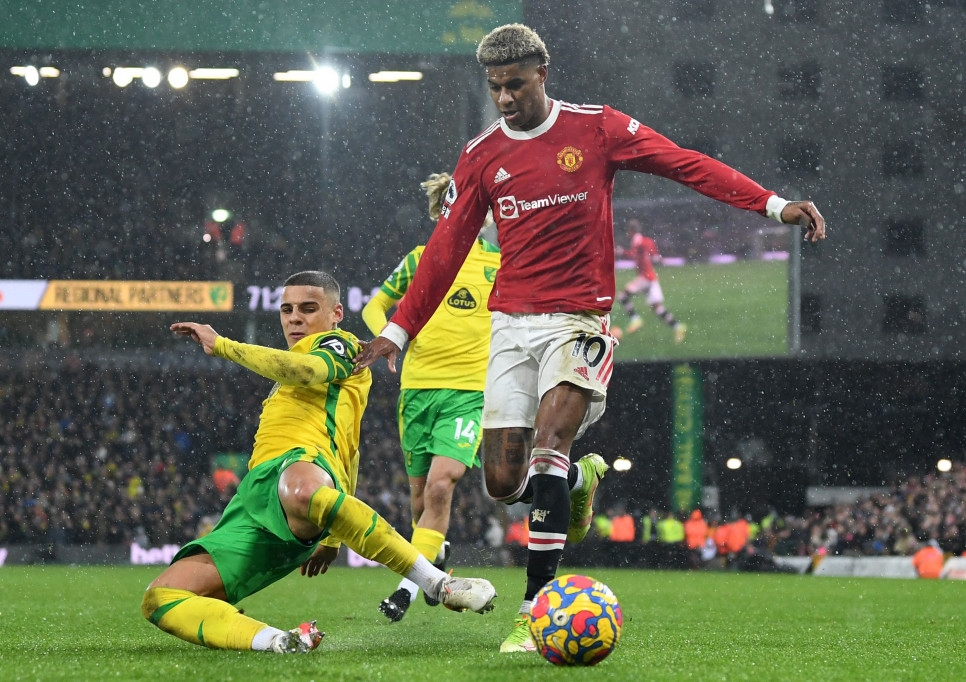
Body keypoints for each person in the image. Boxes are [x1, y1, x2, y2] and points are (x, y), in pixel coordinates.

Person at [355, 23, 826, 652]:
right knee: (502, 482)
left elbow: (684, 164)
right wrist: (397, 329)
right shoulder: (482, 155)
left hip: (579, 320)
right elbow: (446, 249)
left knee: (551, 441)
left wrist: (772, 205)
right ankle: (577, 483)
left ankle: (533, 609)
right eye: (494, 87)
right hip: (512, 327)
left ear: (542, 74)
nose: (504, 99)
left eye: (515, 85)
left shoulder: (596, 128)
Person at [140, 271, 496, 654]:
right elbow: (351, 454)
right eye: (287, 310)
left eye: (308, 309)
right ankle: (280, 641)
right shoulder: (289, 373)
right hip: (256, 498)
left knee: (301, 489)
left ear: (336, 312)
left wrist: (222, 344)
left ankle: (439, 584)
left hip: (301, 471)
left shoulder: (341, 346)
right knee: (160, 597)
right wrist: (330, 538)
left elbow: (307, 371)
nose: (295, 318)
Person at [362, 173, 501, 622]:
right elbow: (374, 306)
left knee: (442, 486)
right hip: (417, 391)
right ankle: (434, 557)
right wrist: (388, 336)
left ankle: (405, 590)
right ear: (441, 213)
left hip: (467, 394)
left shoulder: (499, 263)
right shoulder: (420, 260)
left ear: (476, 217)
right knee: (421, 505)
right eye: (448, 208)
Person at [616, 218, 687, 342]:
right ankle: (678, 327)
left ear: (632, 231)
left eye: (629, 231)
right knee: (658, 308)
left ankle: (635, 319)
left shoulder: (637, 240)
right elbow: (654, 255)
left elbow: (634, 254)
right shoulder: (647, 240)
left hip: (645, 278)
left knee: (622, 296)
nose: (628, 234)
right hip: (652, 278)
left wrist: (622, 252)